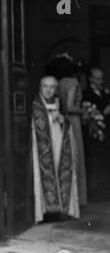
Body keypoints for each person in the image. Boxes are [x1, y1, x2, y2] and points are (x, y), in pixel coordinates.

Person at [32, 76, 79, 222]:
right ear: (40, 87)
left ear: (56, 89)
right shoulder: (36, 105)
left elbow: (67, 124)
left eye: (52, 87)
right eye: (45, 86)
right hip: (41, 148)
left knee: (61, 172)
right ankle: (45, 212)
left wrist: (62, 120)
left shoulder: (60, 103)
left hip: (59, 144)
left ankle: (60, 210)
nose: (48, 90)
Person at [46, 55, 87, 206]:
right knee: (76, 157)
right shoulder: (73, 82)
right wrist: (84, 111)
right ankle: (78, 199)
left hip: (63, 119)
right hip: (73, 120)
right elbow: (70, 106)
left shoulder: (58, 83)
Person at [82, 67, 110, 201]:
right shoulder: (86, 94)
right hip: (94, 134)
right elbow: (91, 116)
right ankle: (94, 194)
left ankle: (105, 192)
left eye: (102, 78)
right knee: (94, 163)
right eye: (98, 79)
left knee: (106, 162)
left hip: (107, 134)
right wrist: (105, 112)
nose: (101, 81)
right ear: (91, 79)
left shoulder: (105, 94)